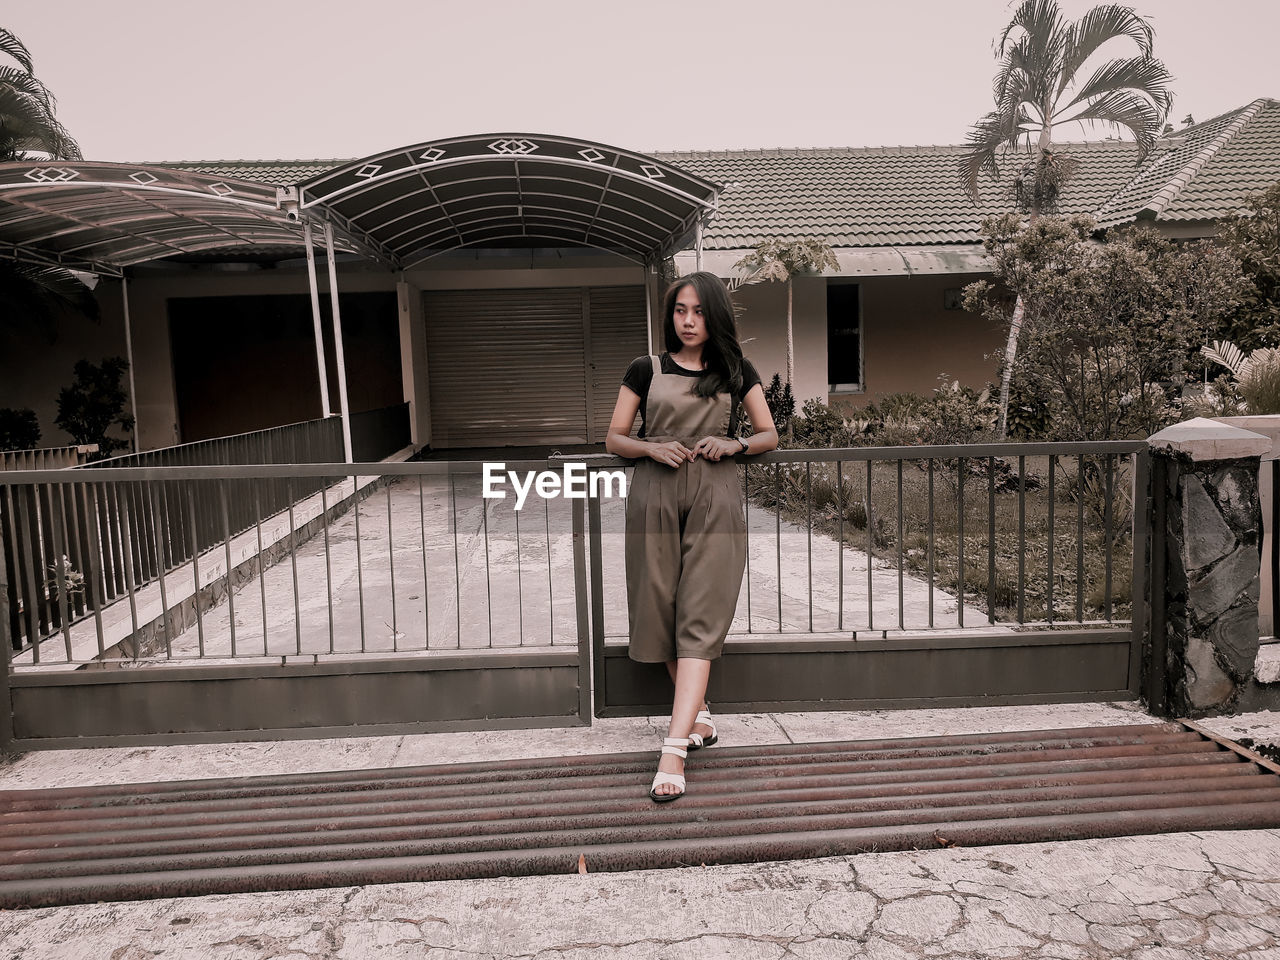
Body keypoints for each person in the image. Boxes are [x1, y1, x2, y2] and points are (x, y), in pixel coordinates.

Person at [604, 271, 779, 802]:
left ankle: (673, 750)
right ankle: (700, 720)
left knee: (700, 614)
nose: (688, 321)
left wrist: (736, 446)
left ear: (714, 315)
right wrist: (650, 447)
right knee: (658, 608)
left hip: (715, 497)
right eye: (680, 310)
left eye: (699, 311)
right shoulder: (645, 369)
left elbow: (769, 433)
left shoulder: (735, 370)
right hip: (653, 494)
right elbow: (613, 436)